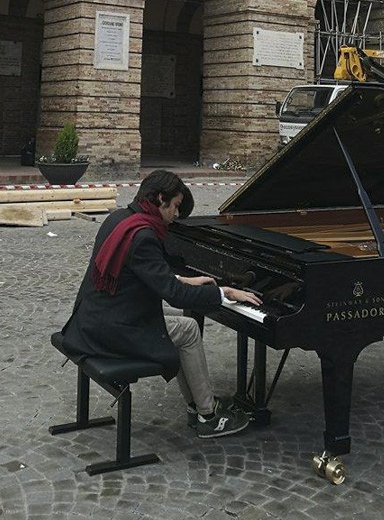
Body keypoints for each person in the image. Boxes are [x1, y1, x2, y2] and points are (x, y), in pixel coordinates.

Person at [60, 169, 263, 438]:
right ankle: (208, 415)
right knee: (188, 329)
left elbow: (144, 274)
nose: (176, 215)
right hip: (111, 331)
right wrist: (223, 293)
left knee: (175, 323)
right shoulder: (144, 235)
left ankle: (198, 405)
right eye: (176, 206)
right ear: (160, 198)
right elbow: (173, 294)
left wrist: (184, 280)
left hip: (92, 318)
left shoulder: (121, 219)